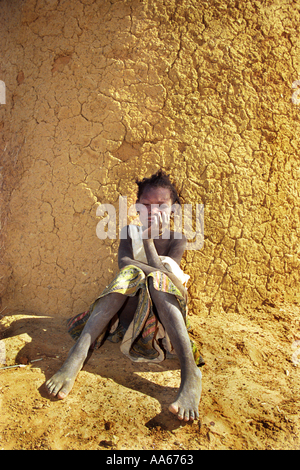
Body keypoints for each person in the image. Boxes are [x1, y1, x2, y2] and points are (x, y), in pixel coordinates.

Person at [46, 170, 204, 421]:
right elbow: (124, 263)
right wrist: (144, 252)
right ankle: (77, 356)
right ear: (138, 208)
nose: (154, 211)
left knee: (158, 279)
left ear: (173, 210)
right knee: (130, 273)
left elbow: (171, 279)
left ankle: (191, 373)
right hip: (131, 313)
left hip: (163, 317)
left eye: (162, 205)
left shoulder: (177, 238)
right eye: (147, 205)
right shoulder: (129, 232)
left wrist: (149, 243)